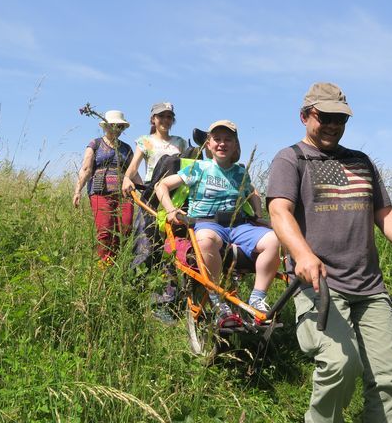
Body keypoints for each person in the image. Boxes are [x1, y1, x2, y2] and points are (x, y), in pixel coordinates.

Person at [266, 82, 392, 423]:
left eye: (339, 118)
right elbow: (279, 211)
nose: (332, 124)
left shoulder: (360, 160)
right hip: (319, 284)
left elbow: (386, 213)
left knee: (389, 378)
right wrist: (303, 254)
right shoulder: (291, 159)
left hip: (369, 288)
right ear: (305, 115)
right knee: (340, 364)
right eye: (324, 116)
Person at [155, 120, 281, 327]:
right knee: (205, 240)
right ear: (209, 144)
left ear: (235, 145)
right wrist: (170, 210)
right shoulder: (199, 167)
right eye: (217, 139)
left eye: (228, 140)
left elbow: (252, 191)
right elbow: (162, 186)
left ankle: (257, 299)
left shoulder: (241, 172)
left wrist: (258, 214)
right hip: (207, 223)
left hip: (239, 225)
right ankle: (217, 300)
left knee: (274, 239)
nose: (222, 143)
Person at [121, 102, 188, 322]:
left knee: (172, 247)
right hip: (152, 196)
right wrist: (131, 184)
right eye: (161, 117)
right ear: (153, 119)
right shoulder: (145, 141)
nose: (165, 121)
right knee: (148, 246)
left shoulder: (179, 142)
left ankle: (170, 299)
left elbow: (189, 167)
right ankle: (139, 293)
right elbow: (131, 171)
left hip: (176, 197)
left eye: (169, 117)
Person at [73, 110, 136, 267]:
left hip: (124, 194)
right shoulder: (95, 144)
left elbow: (133, 172)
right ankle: (105, 265)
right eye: (113, 125)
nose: (116, 129)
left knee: (126, 227)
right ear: (106, 126)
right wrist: (77, 190)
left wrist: (145, 191)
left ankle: (117, 262)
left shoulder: (127, 148)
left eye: (120, 126)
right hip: (100, 192)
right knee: (105, 229)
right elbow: (86, 169)